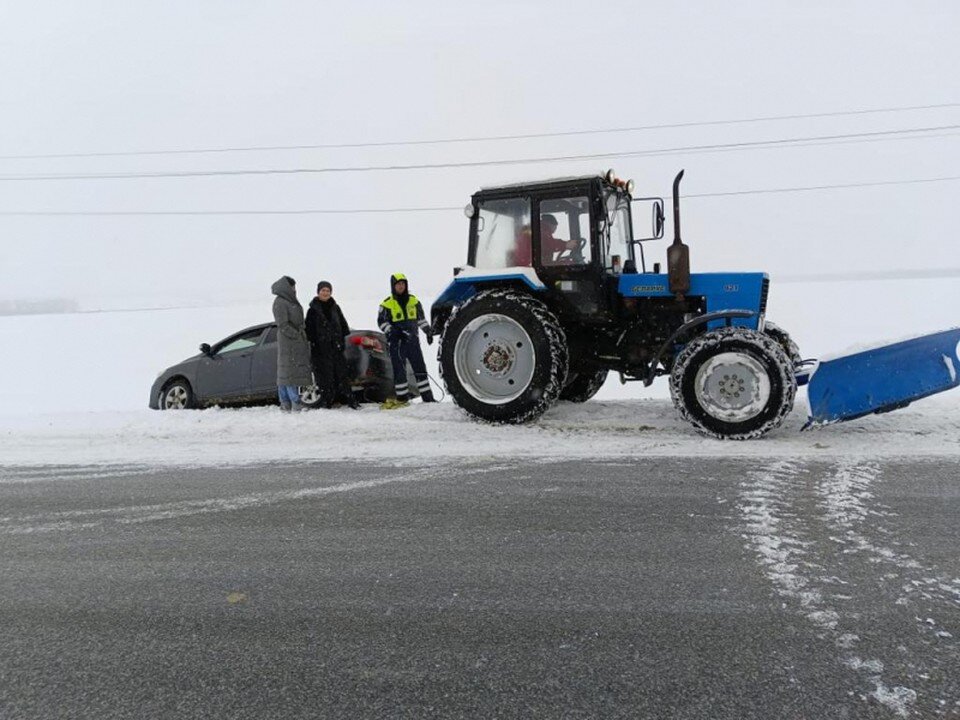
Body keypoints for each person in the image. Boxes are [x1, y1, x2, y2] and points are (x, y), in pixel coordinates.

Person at [377, 273, 436, 407]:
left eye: (403, 284)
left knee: (420, 368)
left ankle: (428, 398)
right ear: (393, 286)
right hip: (397, 343)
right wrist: (394, 331)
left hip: (413, 341)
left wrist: (428, 331)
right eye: (398, 284)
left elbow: (420, 319)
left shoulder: (414, 301)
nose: (401, 286)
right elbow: (381, 322)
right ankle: (402, 399)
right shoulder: (387, 304)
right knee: (400, 371)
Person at [305, 281, 358, 409]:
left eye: (328, 291)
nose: (325, 293)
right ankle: (327, 402)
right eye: (323, 290)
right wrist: (316, 344)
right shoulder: (312, 310)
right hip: (321, 350)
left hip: (336, 348)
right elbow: (309, 331)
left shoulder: (335, 307)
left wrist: (340, 340)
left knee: (342, 376)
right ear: (318, 292)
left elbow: (344, 326)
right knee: (325, 377)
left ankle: (350, 401)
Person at [271, 276, 314, 411]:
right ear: (286, 287)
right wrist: (296, 335)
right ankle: (293, 402)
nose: (294, 289)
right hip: (288, 342)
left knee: (288, 373)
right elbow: (282, 324)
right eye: (292, 287)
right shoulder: (280, 302)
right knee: (288, 374)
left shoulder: (289, 301)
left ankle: (286, 403)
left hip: (294, 342)